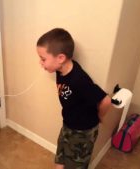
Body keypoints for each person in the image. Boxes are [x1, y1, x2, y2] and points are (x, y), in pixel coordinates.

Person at [36, 28, 111, 169]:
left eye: (43, 59)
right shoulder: (60, 69)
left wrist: (99, 118)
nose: (41, 63)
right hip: (68, 124)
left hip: (83, 132)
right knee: (61, 155)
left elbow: (106, 100)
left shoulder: (79, 79)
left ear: (60, 58)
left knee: (75, 164)